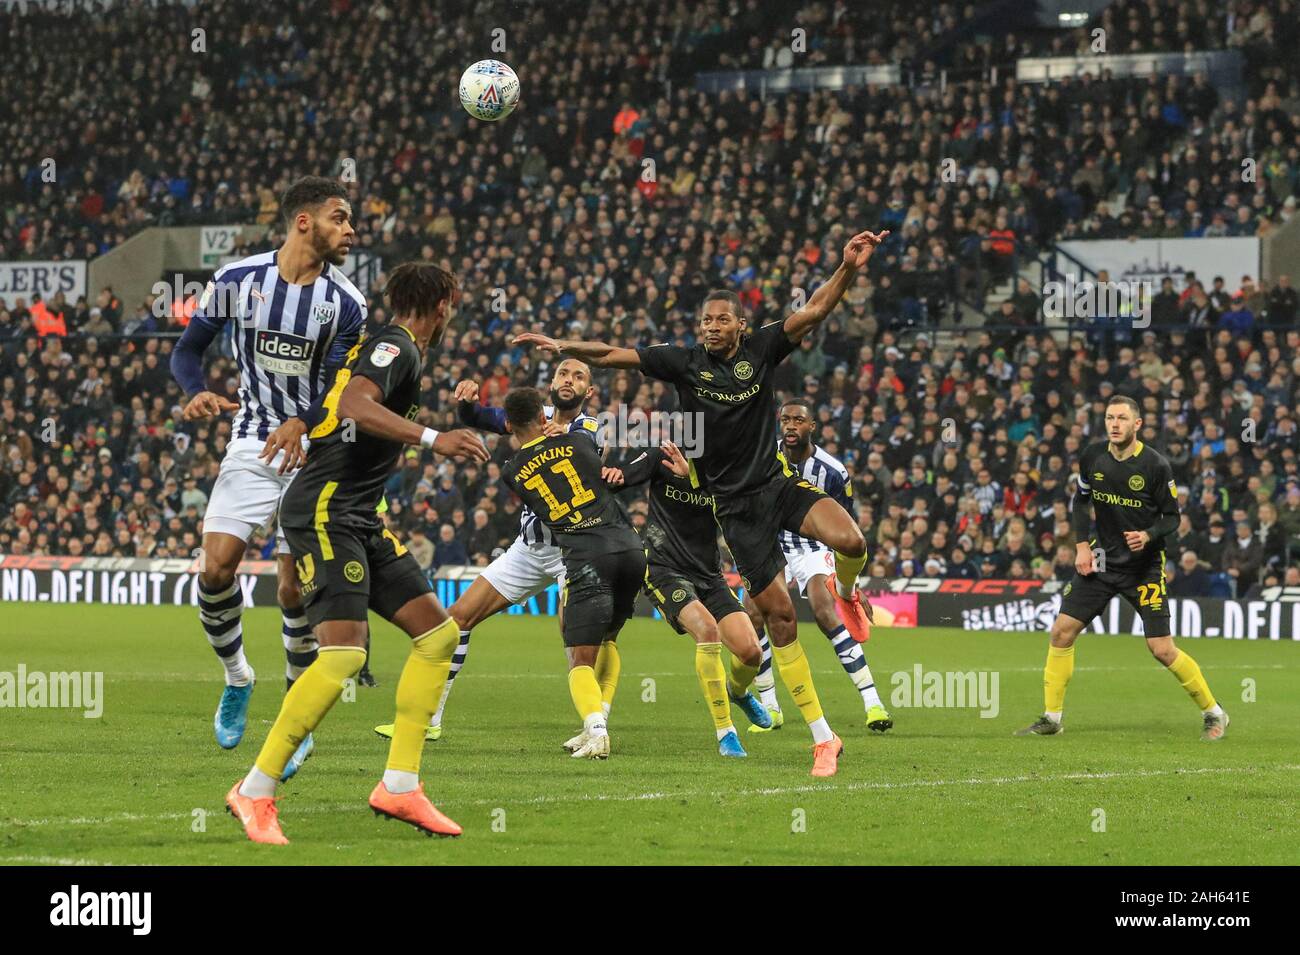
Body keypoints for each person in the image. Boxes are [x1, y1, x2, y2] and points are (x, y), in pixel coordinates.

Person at [512, 228, 891, 776]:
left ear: (740, 324)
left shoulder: (762, 347)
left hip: (777, 486)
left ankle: (849, 594)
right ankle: (823, 737)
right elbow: (616, 355)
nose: (711, 328)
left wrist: (849, 267)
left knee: (852, 538)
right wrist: (564, 347)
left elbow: (812, 312)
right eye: (705, 321)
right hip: (735, 512)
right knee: (780, 621)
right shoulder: (682, 361)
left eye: (721, 320)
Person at [225, 262, 489, 845]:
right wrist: (433, 438)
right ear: (442, 303)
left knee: (439, 636)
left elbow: (329, 404)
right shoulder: (398, 347)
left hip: (357, 516)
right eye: (453, 305)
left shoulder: (384, 346)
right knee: (344, 656)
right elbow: (354, 405)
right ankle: (256, 789)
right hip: (325, 510)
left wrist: (300, 422)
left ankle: (399, 785)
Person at [169, 176, 366, 777]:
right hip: (253, 439)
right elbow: (186, 351)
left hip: (319, 450)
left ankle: (293, 708)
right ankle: (237, 678)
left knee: (292, 588)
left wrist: (304, 422)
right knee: (216, 567)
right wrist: (196, 392)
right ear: (303, 222)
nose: (350, 229)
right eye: (340, 218)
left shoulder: (347, 304)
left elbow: (341, 390)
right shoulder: (238, 281)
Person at [372, 359, 604, 742]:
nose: (569, 380)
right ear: (551, 382)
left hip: (573, 551)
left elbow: (586, 456)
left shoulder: (589, 427)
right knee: (456, 618)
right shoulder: (534, 415)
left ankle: (594, 727)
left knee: (575, 638)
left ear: (589, 392)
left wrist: (559, 437)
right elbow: (482, 417)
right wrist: (465, 401)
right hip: (529, 549)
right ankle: (429, 719)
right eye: (563, 373)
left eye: (579, 376)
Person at [1015, 395, 1228, 741]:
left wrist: (1147, 534)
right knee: (1061, 632)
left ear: (1137, 425)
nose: (1115, 424)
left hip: (1144, 567)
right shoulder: (1093, 456)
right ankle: (1052, 718)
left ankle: (1214, 712)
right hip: (1101, 561)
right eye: (1110, 418)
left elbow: (1173, 517)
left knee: (1161, 649)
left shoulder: (1156, 466)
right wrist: (1081, 545)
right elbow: (1081, 501)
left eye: (1122, 419)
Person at [499, 386, 648, 759]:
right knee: (608, 641)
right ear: (543, 417)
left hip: (586, 557)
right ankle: (595, 721)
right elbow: (603, 470)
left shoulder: (511, 471)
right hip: (630, 549)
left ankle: (597, 731)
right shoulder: (581, 445)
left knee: (579, 659)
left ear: (507, 424)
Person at [745, 401, 893, 733]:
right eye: (785, 419)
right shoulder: (763, 456)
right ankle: (770, 708)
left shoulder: (833, 471)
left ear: (813, 425)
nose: (790, 426)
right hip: (772, 543)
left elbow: (846, 529)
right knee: (752, 612)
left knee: (825, 610)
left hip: (813, 546)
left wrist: (851, 586)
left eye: (798, 420)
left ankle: (872, 702)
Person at [621, 441, 772, 756]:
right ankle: (725, 732)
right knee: (707, 630)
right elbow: (620, 478)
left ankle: (739, 692)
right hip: (664, 569)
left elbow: (740, 513)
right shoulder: (660, 457)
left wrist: (695, 479)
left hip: (709, 575)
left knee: (751, 653)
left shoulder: (723, 472)